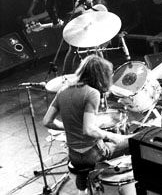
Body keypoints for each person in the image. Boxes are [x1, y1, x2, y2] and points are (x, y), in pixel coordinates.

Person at [43, 55, 131, 193]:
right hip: (92, 154)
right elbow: (89, 130)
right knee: (132, 143)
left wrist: (70, 128)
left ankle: (82, 186)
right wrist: (113, 137)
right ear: (101, 75)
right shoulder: (92, 93)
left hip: (74, 156)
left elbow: (47, 121)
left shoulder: (62, 91)